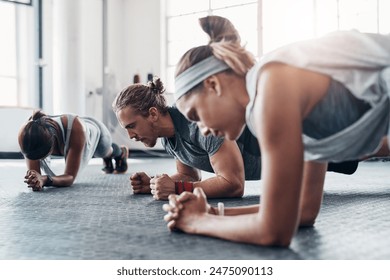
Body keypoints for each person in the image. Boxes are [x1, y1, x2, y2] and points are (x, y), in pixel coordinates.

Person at [163, 15, 390, 246]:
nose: (203, 130)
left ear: (213, 85)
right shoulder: (283, 101)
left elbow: (274, 231)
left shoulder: (271, 85)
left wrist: (197, 222)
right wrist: (213, 214)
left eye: (195, 116)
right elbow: (303, 210)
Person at [112, 77, 261, 200]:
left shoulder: (199, 122)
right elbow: (189, 175)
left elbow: (233, 184)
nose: (131, 136)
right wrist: (153, 183)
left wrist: (177, 189)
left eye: (131, 126)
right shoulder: (167, 138)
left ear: (153, 114)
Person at [18, 110, 128, 191]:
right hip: (78, 136)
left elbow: (70, 177)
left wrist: (45, 179)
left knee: (104, 152)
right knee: (83, 151)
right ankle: (107, 159)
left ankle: (121, 152)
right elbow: (35, 174)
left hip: (96, 132)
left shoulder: (76, 130)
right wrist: (35, 179)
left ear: (53, 143)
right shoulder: (29, 134)